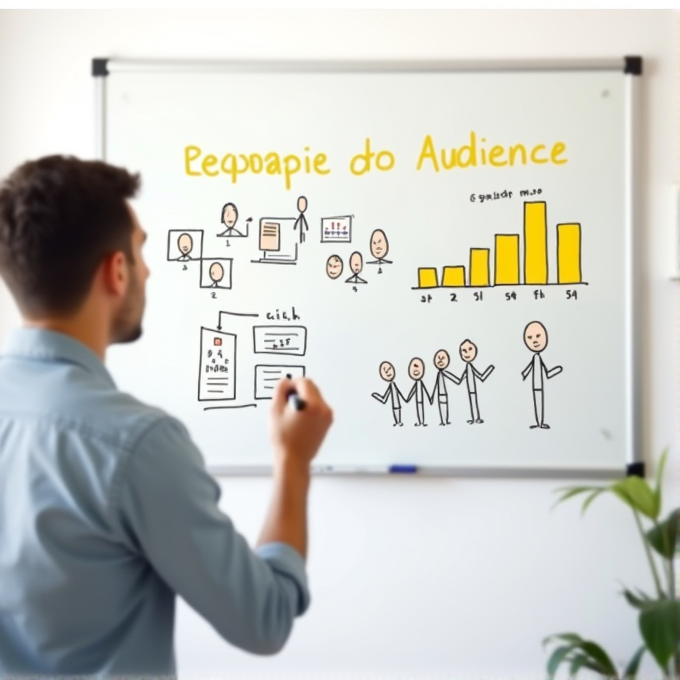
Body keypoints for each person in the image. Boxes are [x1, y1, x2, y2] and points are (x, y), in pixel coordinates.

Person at [0, 155, 333, 677]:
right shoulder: (135, 445)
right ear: (115, 270)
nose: (148, 268)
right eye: (141, 250)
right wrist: (293, 460)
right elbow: (264, 619)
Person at [521, 320, 562, 429]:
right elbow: (529, 368)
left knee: (539, 401)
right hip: (535, 385)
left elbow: (546, 372)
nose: (534, 341)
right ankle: (538, 422)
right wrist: (524, 374)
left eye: (538, 336)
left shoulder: (538, 358)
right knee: (537, 402)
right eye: (530, 338)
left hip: (539, 385)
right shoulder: (535, 358)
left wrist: (555, 370)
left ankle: (540, 423)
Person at [371, 360, 405, 426]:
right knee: (395, 409)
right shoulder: (391, 385)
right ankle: (397, 422)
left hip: (397, 403)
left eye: (389, 369)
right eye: (385, 371)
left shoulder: (394, 384)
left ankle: (398, 421)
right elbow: (386, 395)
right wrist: (377, 396)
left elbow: (398, 392)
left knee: (397, 409)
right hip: (395, 404)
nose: (387, 372)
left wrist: (405, 399)